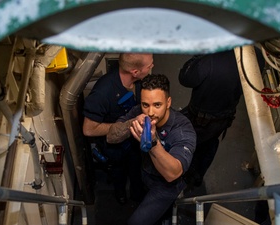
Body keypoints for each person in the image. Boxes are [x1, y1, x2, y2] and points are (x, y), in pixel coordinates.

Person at [106, 74, 196, 225]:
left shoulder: (182, 129)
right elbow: (110, 137)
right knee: (137, 198)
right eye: (145, 105)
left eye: (157, 105)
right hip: (144, 171)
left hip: (165, 185)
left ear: (168, 102)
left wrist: (153, 142)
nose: (150, 112)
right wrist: (131, 123)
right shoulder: (138, 113)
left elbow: (173, 174)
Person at [179, 48, 265, 187]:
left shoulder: (209, 60)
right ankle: (197, 178)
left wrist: (199, 55)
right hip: (224, 119)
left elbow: (185, 78)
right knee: (210, 145)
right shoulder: (256, 57)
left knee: (185, 143)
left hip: (198, 119)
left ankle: (182, 175)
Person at [82, 53, 154, 204]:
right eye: (149, 65)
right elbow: (88, 129)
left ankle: (137, 196)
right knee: (118, 171)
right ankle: (120, 194)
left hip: (134, 141)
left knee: (136, 169)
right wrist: (125, 126)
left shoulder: (139, 82)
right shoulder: (103, 92)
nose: (152, 67)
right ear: (135, 71)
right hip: (115, 147)